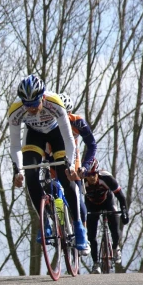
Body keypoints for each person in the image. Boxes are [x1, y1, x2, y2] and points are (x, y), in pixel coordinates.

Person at [8, 75, 89, 255]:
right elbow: (14, 146)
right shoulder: (15, 110)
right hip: (34, 136)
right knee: (30, 175)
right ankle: (43, 220)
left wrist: (69, 165)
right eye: (26, 104)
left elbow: (69, 138)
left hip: (57, 134)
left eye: (34, 103)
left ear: (42, 97)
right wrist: (17, 170)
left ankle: (78, 226)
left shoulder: (55, 102)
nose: (30, 108)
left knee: (64, 177)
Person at [83, 159, 129, 273]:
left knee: (114, 226)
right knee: (91, 235)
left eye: (94, 174)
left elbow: (121, 197)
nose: (92, 178)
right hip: (91, 205)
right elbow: (76, 201)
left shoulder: (106, 178)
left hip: (107, 202)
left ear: (97, 172)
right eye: (89, 175)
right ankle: (95, 263)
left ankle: (115, 247)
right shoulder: (82, 181)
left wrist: (124, 213)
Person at [58, 92, 97, 223]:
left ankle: (83, 235)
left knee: (78, 200)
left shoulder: (78, 122)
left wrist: (85, 167)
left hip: (73, 160)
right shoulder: (48, 124)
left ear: (70, 113)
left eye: (66, 115)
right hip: (53, 159)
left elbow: (92, 145)